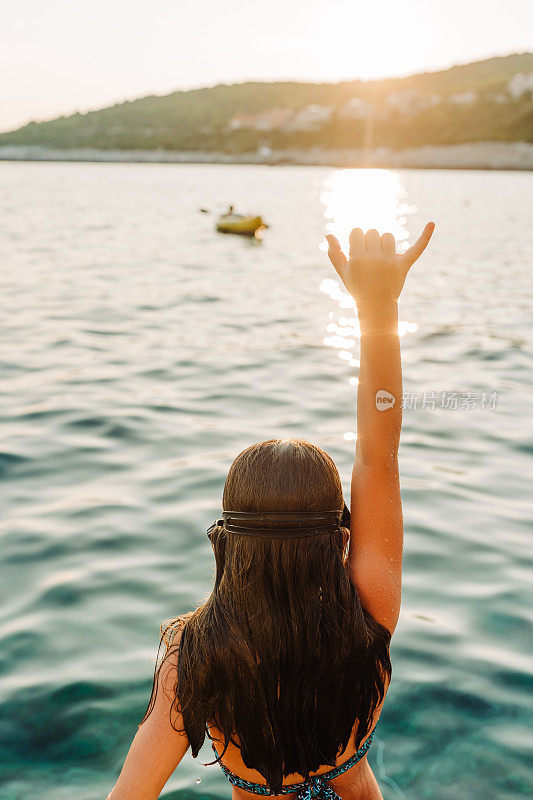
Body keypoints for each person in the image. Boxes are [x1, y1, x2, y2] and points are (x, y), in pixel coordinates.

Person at [106, 222, 435, 800]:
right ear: (341, 537)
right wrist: (378, 308)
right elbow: (378, 453)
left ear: (228, 544)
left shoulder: (193, 655)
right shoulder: (367, 613)